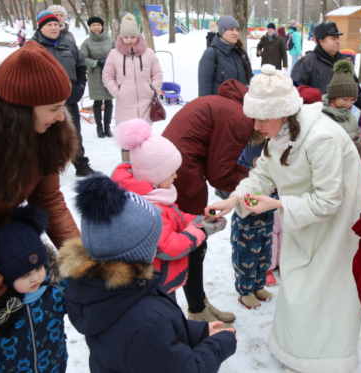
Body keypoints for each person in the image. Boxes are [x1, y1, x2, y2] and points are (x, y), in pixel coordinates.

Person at [206, 64, 361, 373]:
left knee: (325, 287)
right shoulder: (281, 129)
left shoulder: (321, 137)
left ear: (282, 111)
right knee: (299, 281)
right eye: (253, 116)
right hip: (305, 215)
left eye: (261, 117)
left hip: (337, 224)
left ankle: (326, 358)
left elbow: (329, 199)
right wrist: (234, 199)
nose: (255, 125)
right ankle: (296, 348)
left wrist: (279, 205)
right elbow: (263, 173)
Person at [59, 175, 238, 373]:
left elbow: (148, 341)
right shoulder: (145, 317)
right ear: (141, 251)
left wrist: (198, 331)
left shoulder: (101, 291)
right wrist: (219, 346)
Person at [0, 41, 79, 332]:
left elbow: (50, 201)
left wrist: (79, 259)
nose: (61, 116)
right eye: (54, 108)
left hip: (2, 240)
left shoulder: (44, 134)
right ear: (21, 111)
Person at [112, 119, 230, 324]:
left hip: (164, 280)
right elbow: (169, 247)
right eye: (171, 172)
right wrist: (202, 229)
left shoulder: (154, 194)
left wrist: (197, 219)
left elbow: (174, 217)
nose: (176, 175)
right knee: (166, 320)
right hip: (156, 284)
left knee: (170, 316)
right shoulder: (149, 208)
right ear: (154, 175)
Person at [162, 79, 255, 324]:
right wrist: (256, 180)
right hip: (183, 177)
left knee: (193, 241)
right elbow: (220, 174)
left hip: (175, 171)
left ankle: (198, 301)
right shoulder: (239, 118)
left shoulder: (227, 105)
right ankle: (196, 309)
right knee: (194, 241)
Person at [0, 206, 68, 372]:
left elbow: (86, 301)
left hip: (54, 366)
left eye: (39, 268)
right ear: (5, 276)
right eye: (24, 275)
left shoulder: (56, 290)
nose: (35, 278)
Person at [33, 11, 96, 177]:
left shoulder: (68, 44)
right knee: (44, 133)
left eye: (56, 24)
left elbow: (81, 67)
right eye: (49, 25)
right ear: (40, 27)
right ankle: (45, 167)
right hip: (44, 101)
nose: (54, 27)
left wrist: (79, 88)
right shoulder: (32, 47)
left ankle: (80, 164)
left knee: (74, 132)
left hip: (70, 97)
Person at [103, 13, 163, 161]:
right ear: (121, 37)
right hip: (125, 102)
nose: (129, 40)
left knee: (144, 136)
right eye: (126, 37)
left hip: (145, 102)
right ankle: (126, 166)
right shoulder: (114, 54)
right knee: (126, 136)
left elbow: (157, 73)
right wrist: (117, 92)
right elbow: (107, 76)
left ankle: (143, 164)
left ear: (138, 36)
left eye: (132, 37)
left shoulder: (148, 53)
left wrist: (152, 90)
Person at [230, 131, 277, 308]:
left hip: (266, 223)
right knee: (246, 258)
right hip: (246, 226)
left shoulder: (272, 176)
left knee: (264, 257)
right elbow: (242, 197)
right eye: (260, 161)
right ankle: (245, 291)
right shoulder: (243, 177)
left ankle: (258, 286)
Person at [291, 21, 361, 116]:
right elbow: (295, 93)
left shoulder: (345, 64)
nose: (337, 41)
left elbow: (356, 93)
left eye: (338, 38)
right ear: (321, 42)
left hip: (341, 120)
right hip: (315, 120)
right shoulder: (307, 62)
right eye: (333, 38)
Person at [323, 60, 361, 158]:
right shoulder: (323, 117)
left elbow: (358, 136)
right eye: (345, 99)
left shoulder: (352, 118)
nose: (349, 103)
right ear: (333, 97)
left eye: (352, 99)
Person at [198, 15, 253, 97]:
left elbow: (250, 79)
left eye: (237, 30)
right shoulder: (211, 54)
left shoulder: (242, 53)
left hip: (242, 106)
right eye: (231, 29)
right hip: (220, 107)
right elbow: (205, 88)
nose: (235, 33)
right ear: (221, 31)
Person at [81, 16, 116, 138]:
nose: (96, 27)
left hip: (110, 73)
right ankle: (99, 128)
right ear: (90, 27)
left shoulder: (111, 40)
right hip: (95, 73)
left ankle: (107, 127)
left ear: (102, 26)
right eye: (93, 25)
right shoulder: (86, 43)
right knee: (98, 101)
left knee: (109, 101)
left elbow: (118, 54)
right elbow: (82, 59)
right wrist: (96, 62)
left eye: (98, 24)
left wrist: (110, 62)